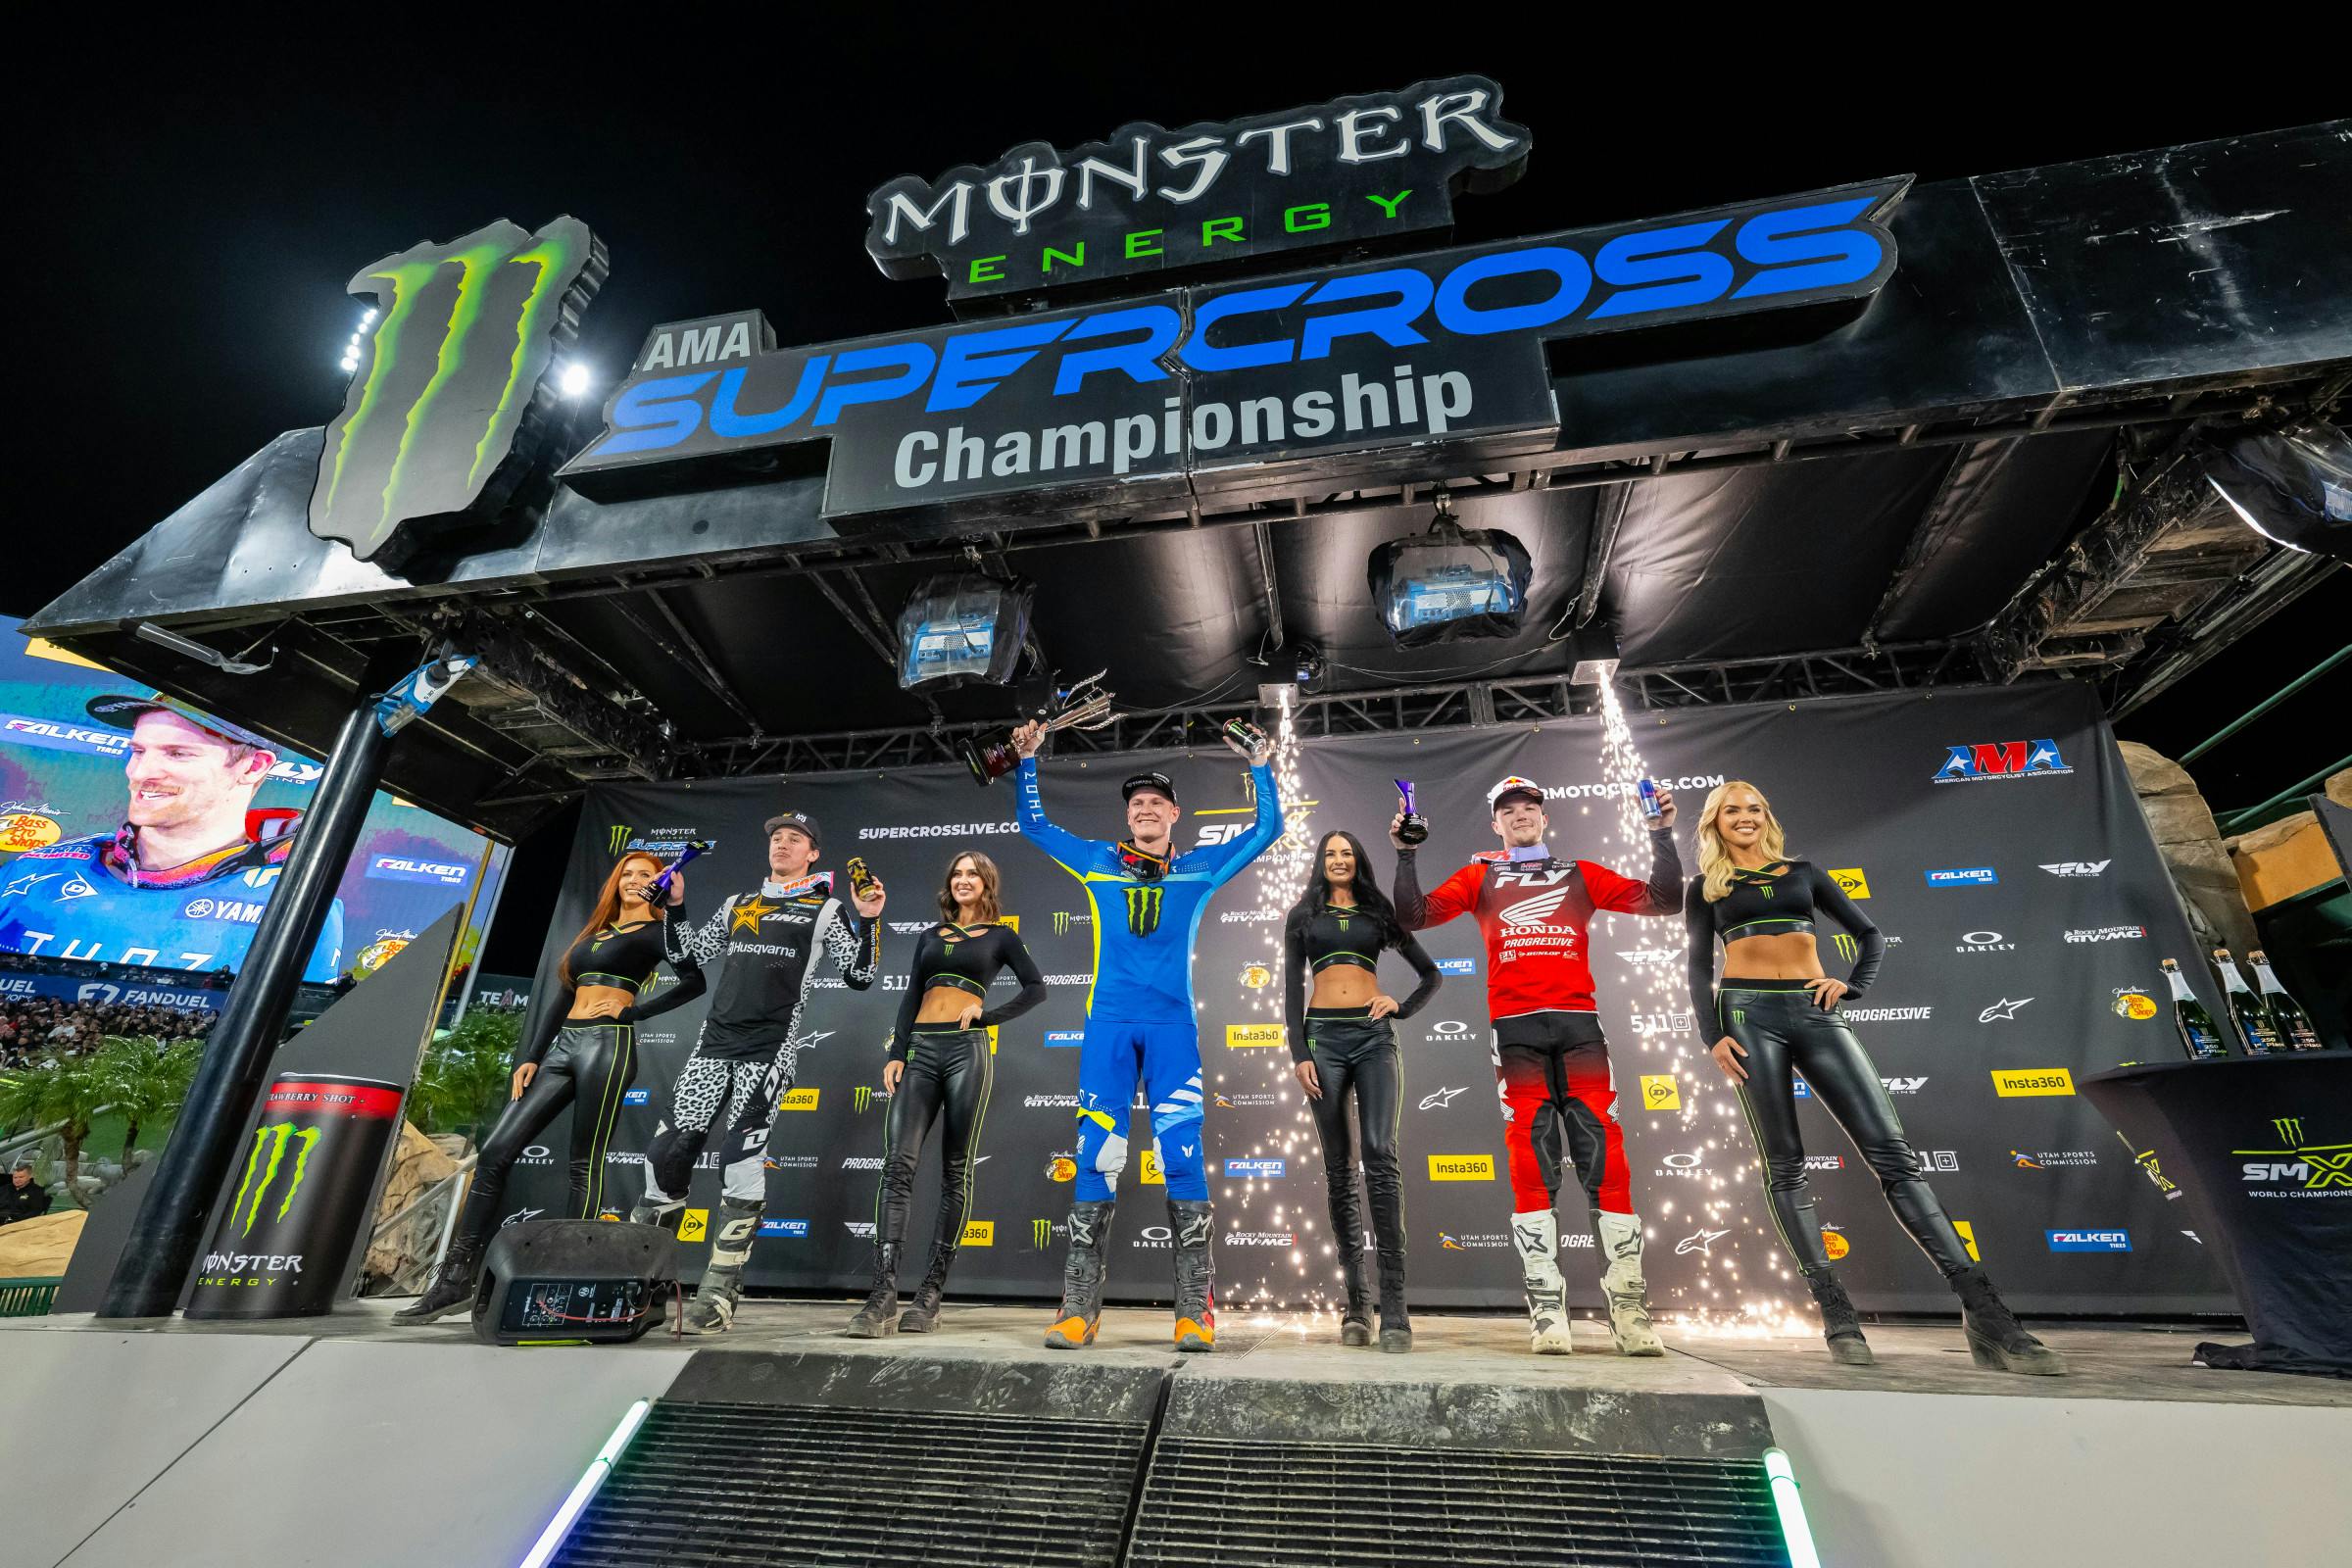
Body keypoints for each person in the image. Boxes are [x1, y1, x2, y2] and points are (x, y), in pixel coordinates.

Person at [1687, 780, 2065, 1375]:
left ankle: (1985, 1312)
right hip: (1747, 1013)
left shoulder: (1802, 872)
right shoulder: (1707, 887)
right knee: (1785, 1162)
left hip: (1815, 1011)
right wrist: (1713, 1036)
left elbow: (1870, 935)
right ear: (1715, 822)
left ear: (1768, 816)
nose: (1745, 818)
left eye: (1755, 808)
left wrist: (1852, 985)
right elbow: (1695, 966)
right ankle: (1836, 1312)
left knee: (1893, 1155)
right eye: (1732, 811)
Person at [1012, 719, 1282, 1351]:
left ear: (1174, 816)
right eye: (1136, 804)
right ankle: (1078, 1310)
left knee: (1181, 1158)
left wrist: (1263, 769)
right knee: (1096, 1159)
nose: (1145, 810)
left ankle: (1196, 1313)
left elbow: (1267, 830)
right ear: (1128, 817)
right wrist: (1028, 763)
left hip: (1171, 1031)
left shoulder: (1199, 870)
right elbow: (1036, 828)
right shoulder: (1099, 863)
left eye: (1156, 803)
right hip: (1107, 1028)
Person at [1392, 773, 1681, 1357]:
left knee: (1607, 1150)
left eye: (1530, 806)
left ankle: (1628, 1307)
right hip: (1516, 1028)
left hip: (1578, 1024)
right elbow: (1413, 916)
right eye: (1509, 809)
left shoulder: (1580, 872)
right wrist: (1405, 853)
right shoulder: (1481, 875)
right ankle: (1547, 1307)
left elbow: (1665, 901)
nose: (1521, 813)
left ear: (1544, 817)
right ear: (1495, 823)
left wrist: (1662, 836)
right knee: (1528, 1149)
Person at [396, 851, 705, 1323]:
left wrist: (633, 1011)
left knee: (585, 1162)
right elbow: (564, 992)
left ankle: (568, 1281)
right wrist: (532, 1057)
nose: (634, 881)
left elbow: (693, 978)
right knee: (497, 1152)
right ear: (614, 883)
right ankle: (455, 1280)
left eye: (646, 875)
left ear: (659, 884)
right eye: (627, 874)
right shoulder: (594, 933)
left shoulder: (657, 931)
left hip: (609, 1046)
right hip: (563, 1047)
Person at [632, 811, 883, 1333]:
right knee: (668, 1153)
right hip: (712, 1046)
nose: (783, 845)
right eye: (776, 838)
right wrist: (675, 908)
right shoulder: (738, 904)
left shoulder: (827, 907)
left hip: (769, 1048)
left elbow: (859, 976)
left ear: (814, 853)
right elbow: (686, 959)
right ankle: (643, 1285)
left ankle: (720, 1290)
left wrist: (870, 920)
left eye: (795, 839)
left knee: (739, 1159)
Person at [0, 694, 343, 980]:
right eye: (138, 751)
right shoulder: (33, 870)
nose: (140, 772)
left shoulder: (297, 905)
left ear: (252, 767)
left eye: (177, 753)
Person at [848, 851, 1046, 1338]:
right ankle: (882, 1295)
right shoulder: (929, 936)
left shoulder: (1001, 937)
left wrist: (987, 1015)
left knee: (955, 1169)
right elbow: (911, 994)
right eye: (956, 873)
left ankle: (930, 1295)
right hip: (920, 1051)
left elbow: (1036, 988)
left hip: (966, 1053)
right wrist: (897, 1051)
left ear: (987, 883)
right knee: (898, 1166)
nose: (962, 880)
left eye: (972, 873)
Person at [1285, 830, 1441, 1352]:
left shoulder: (1378, 912)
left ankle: (1395, 1308)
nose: (1338, 860)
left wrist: (1401, 1006)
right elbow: (1290, 993)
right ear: (1320, 862)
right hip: (1322, 1040)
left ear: (1359, 860)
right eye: (1329, 853)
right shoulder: (1302, 915)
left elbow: (1430, 975)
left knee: (1380, 1155)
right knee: (1338, 1167)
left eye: (1347, 852)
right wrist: (1299, 1054)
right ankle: (1356, 1304)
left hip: (1373, 1040)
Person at [2, 1157, 52, 1226]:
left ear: (30, 1176)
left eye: (21, 1177)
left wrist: (12, 1220)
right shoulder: (4, 1189)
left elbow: (34, 1213)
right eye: (15, 1177)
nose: (17, 1180)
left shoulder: (37, 1191)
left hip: (19, 1224)